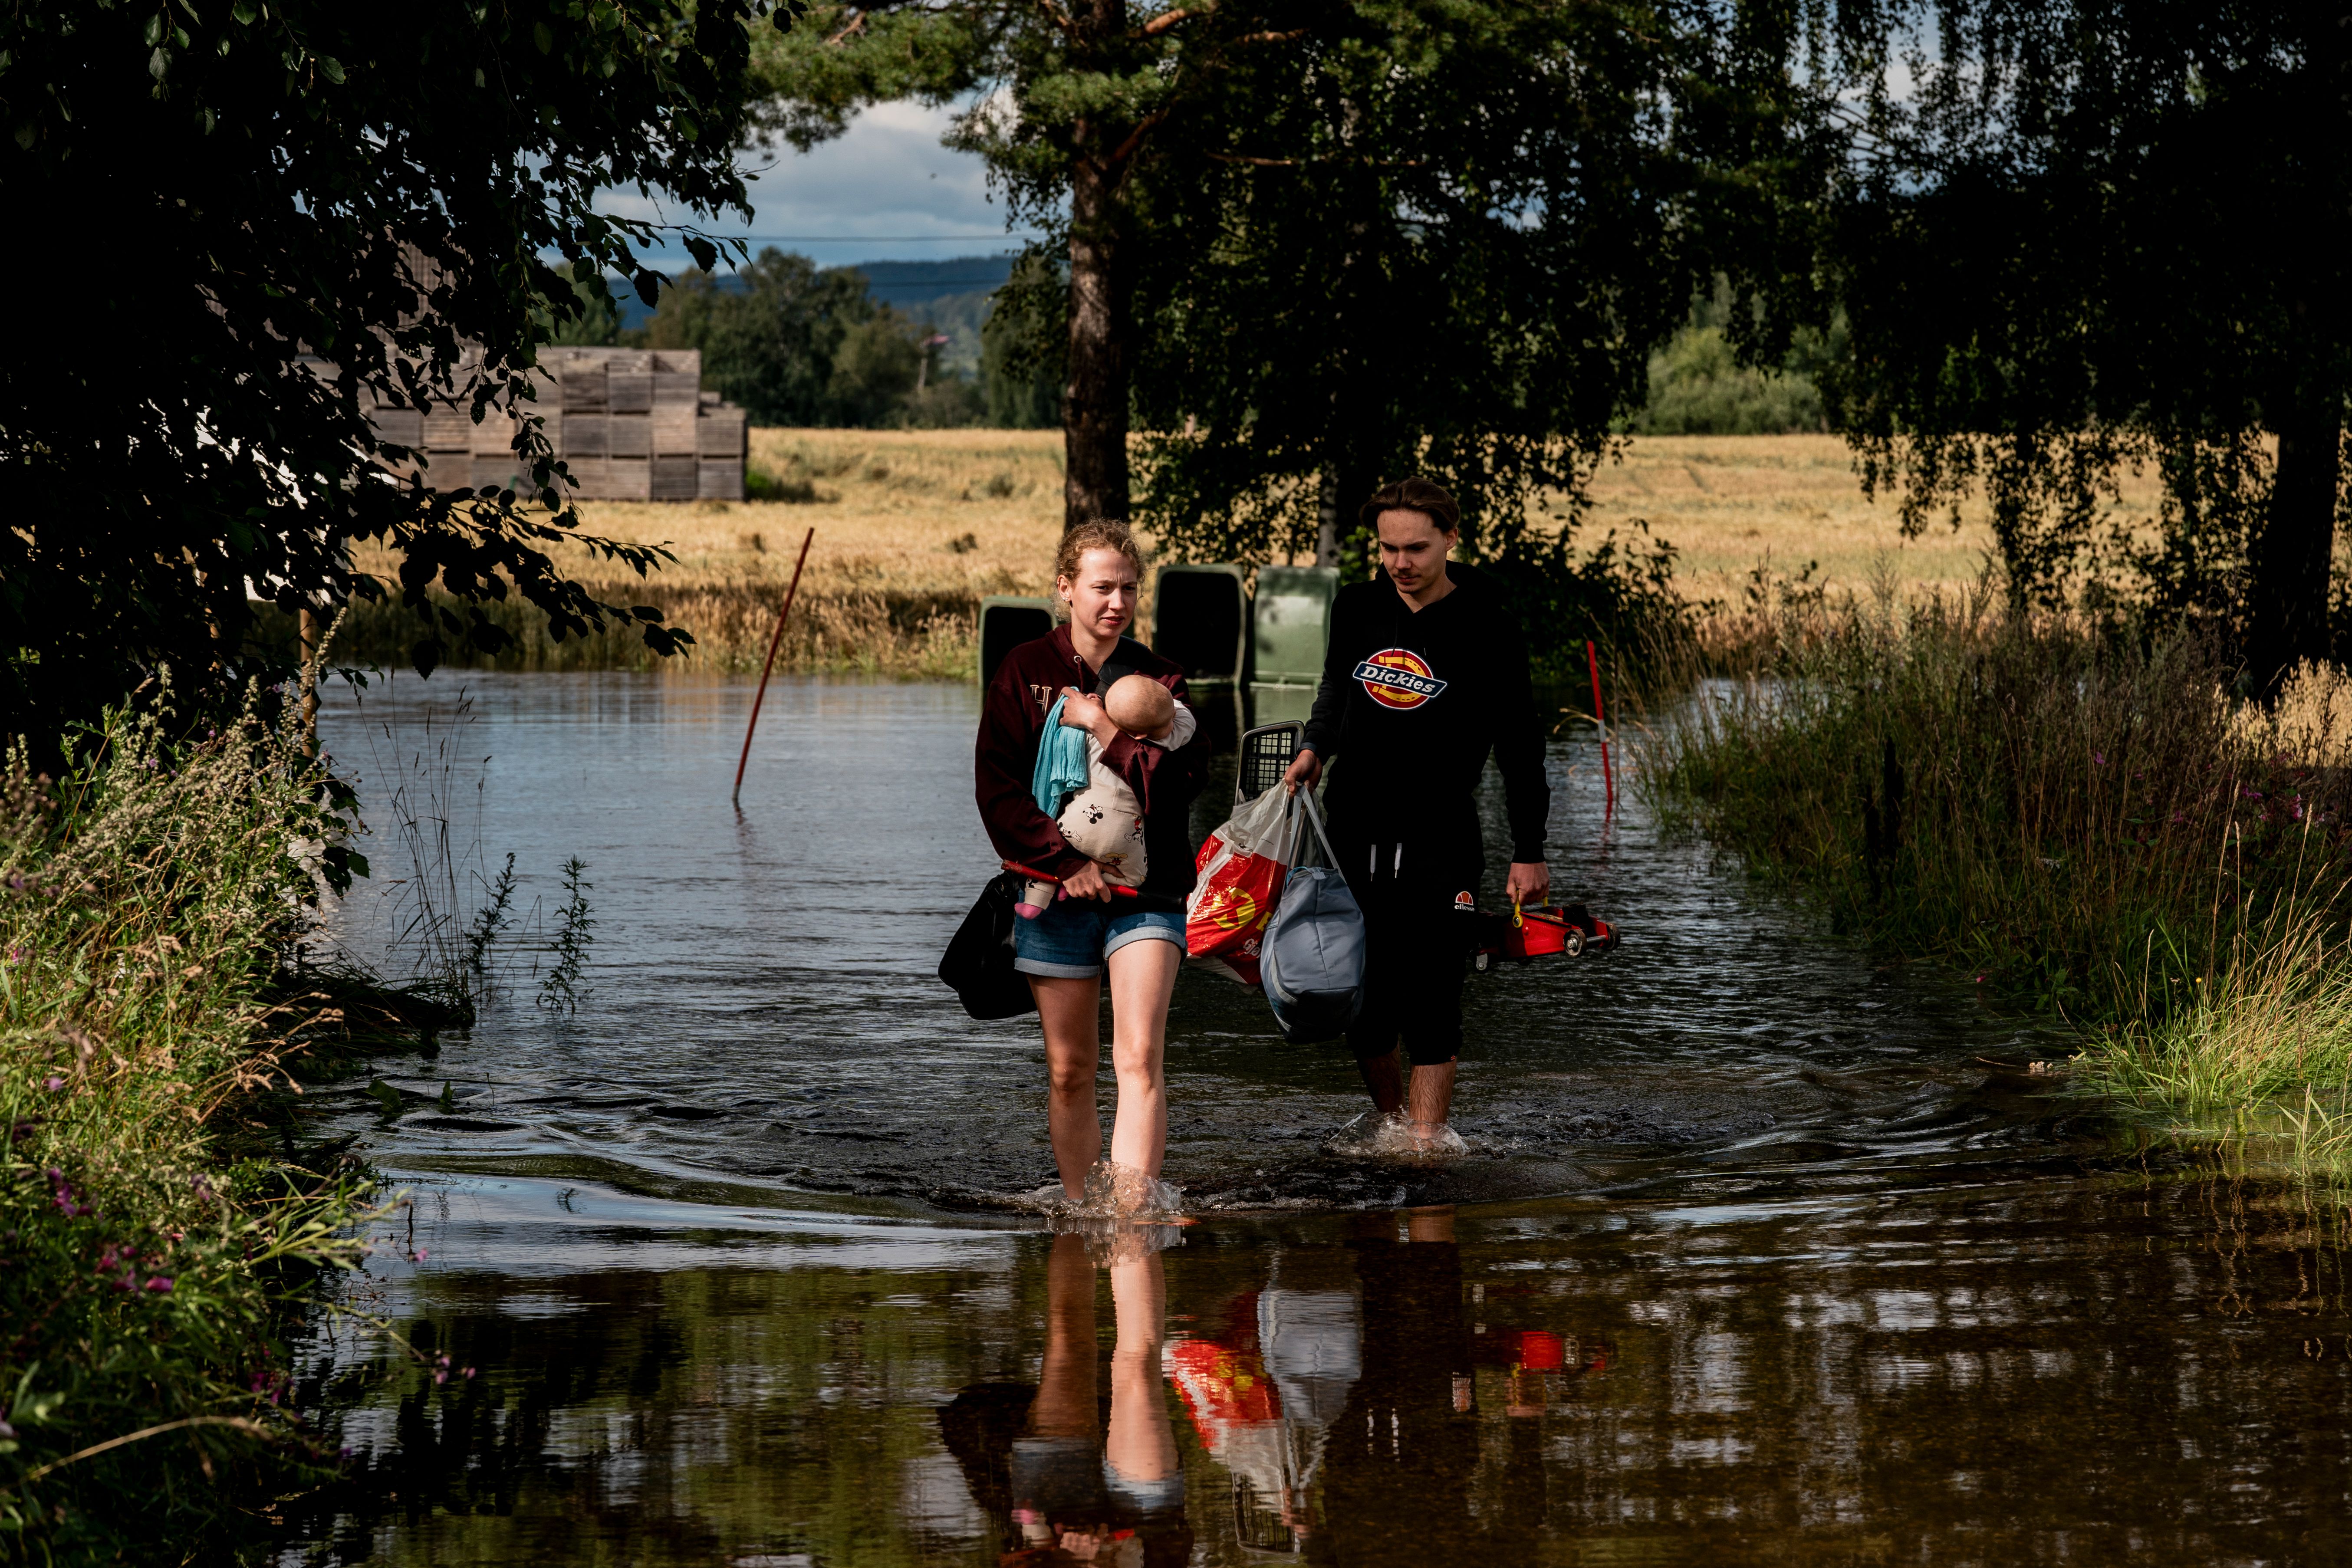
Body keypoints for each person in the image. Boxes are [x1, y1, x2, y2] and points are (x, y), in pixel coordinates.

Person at [1280, 477, 1552, 1153]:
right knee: (1363, 1005)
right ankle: (1393, 1127)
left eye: (1415, 548)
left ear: (1450, 539)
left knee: (1431, 1002)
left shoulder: (1487, 623)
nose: (1400, 563)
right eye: (1387, 548)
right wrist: (1316, 746)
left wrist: (1529, 848)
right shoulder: (1356, 607)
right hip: (1351, 829)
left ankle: (1426, 1153)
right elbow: (1335, 690)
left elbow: (1520, 745)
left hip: (1441, 838)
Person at [977, 521, 1210, 1212]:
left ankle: (1131, 1217)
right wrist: (1062, 862)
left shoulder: (1162, 678)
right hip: (1054, 892)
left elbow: (1177, 787)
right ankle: (1082, 1213)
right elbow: (997, 787)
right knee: (1070, 1069)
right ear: (1065, 589)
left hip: (1149, 889)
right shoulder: (1023, 670)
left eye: (1128, 589)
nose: (1116, 601)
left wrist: (1104, 727)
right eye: (1102, 587)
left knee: (1137, 1058)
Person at [1017, 674, 1198, 919]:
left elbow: (1072, 738)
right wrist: (1166, 705)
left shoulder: (1090, 735)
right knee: (1135, 878)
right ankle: (1096, 877)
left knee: (1049, 860)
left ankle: (1035, 902)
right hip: (1126, 833)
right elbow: (1184, 717)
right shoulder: (1171, 738)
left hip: (1077, 821)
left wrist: (1096, 710)